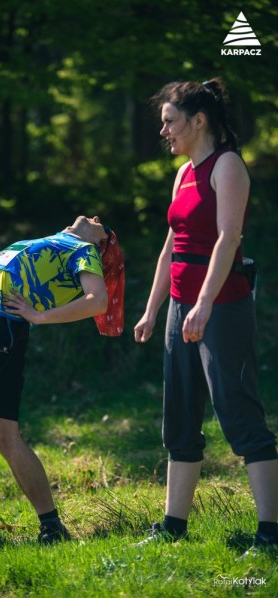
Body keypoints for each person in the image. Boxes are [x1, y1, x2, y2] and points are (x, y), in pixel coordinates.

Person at [134, 78, 278, 555]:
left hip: (222, 307)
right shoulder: (182, 174)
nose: (164, 132)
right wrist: (154, 308)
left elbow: (228, 239)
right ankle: (174, 525)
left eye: (170, 121)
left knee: (238, 413)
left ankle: (270, 533)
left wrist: (205, 303)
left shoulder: (228, 166)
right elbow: (171, 245)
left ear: (199, 121)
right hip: (181, 308)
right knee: (178, 419)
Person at [0, 215, 125, 543]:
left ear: (103, 244)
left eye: (105, 225)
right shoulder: (42, 240)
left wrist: (39, 317)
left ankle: (51, 526)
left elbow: (97, 301)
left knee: (3, 435)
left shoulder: (83, 250)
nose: (97, 217)